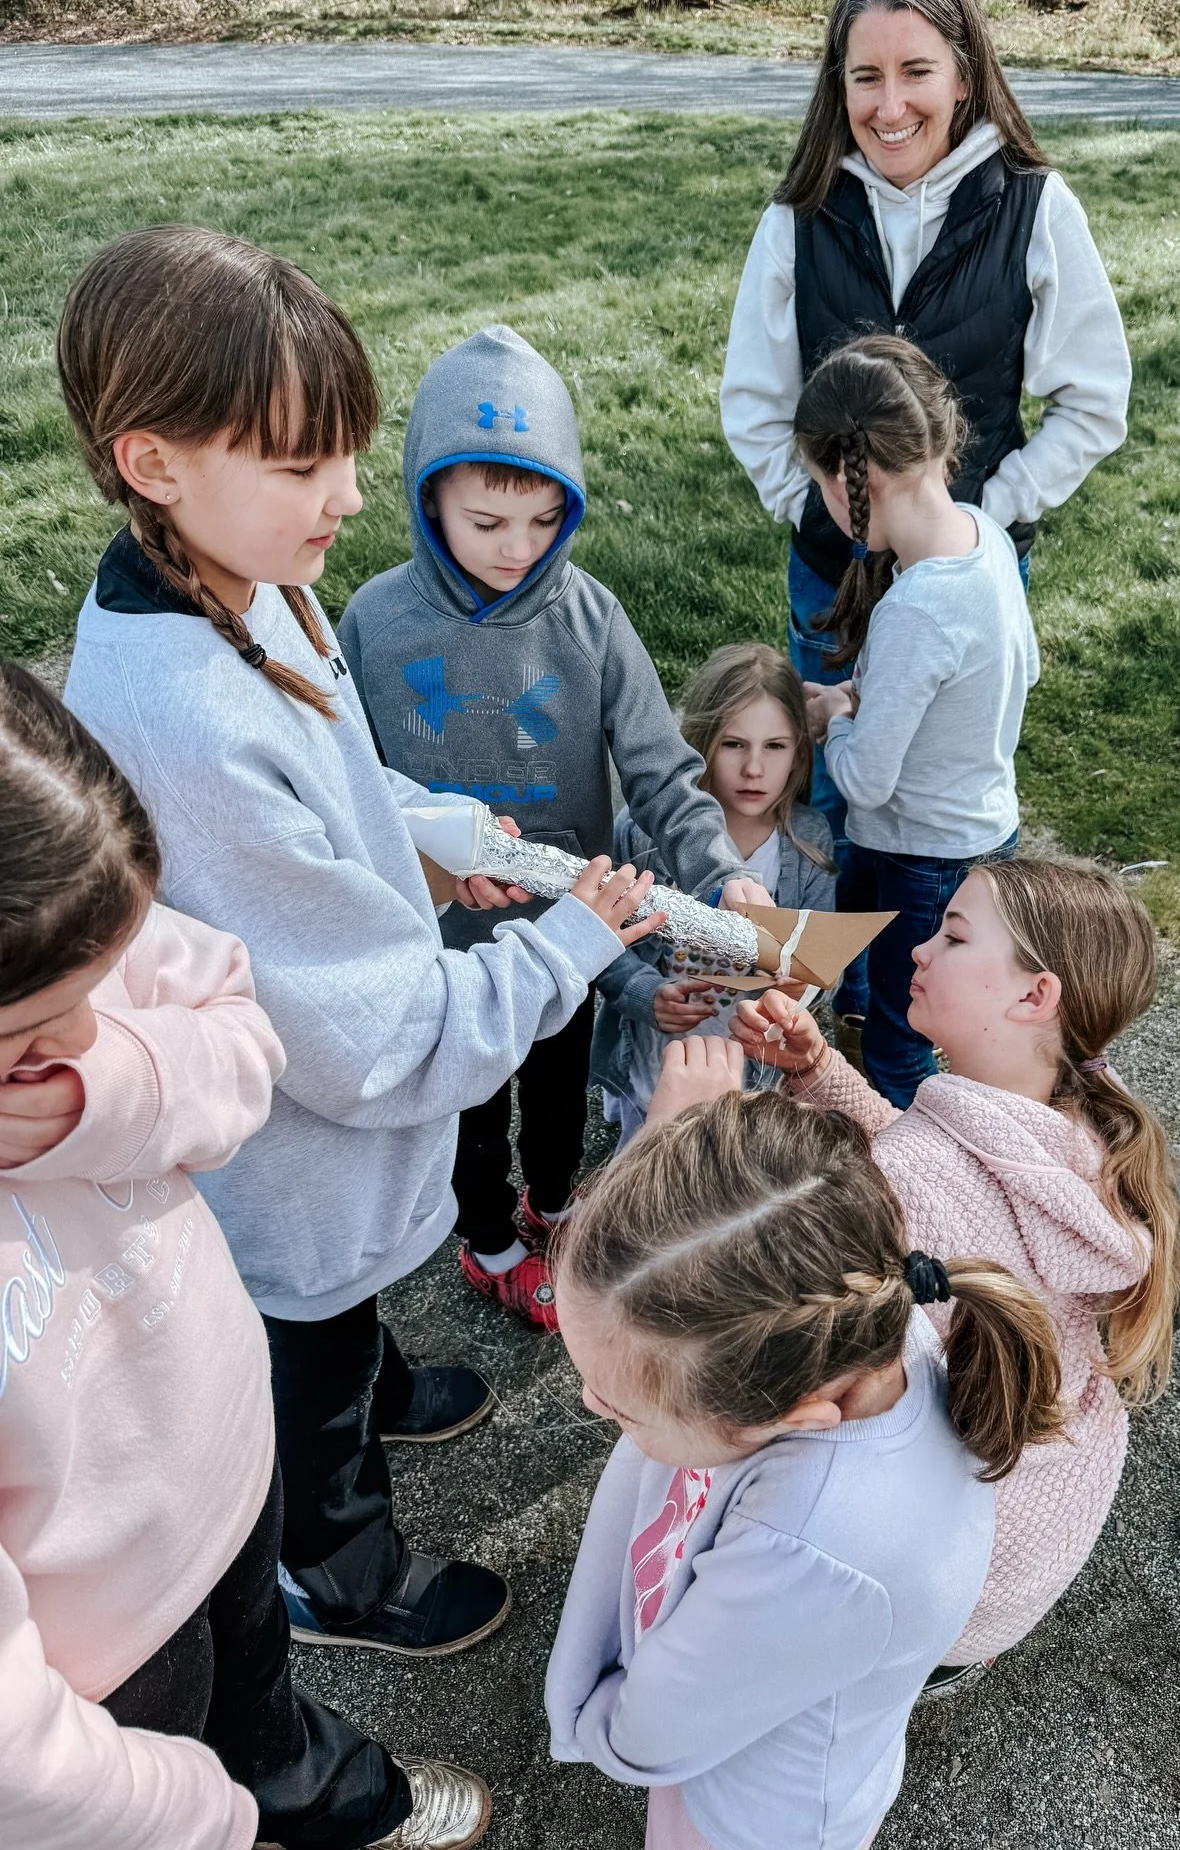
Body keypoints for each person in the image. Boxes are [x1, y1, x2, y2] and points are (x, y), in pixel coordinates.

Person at [57, 225, 667, 1661]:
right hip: (294, 1163)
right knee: (307, 1355)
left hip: (324, 1102)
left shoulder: (234, 566)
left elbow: (329, 774)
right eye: (299, 462)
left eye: (347, 451)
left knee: (346, 1335)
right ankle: (337, 1571)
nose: (345, 497)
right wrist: (572, 939)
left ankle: (375, 1372)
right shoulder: (187, 719)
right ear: (155, 462)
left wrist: (438, 830)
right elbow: (386, 1042)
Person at [0, 662, 492, 1850]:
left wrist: (100, 1092)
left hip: (226, 1462)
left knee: (266, 1703)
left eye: (101, 990)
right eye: (26, 1032)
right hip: (111, 1664)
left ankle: (320, 1789)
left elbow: (238, 1025)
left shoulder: (53, 920)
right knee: (221, 1747)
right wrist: (207, 1819)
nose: (87, 1031)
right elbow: (31, 1768)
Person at [719, 0, 1129, 1052]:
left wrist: (972, 530)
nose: (890, 105)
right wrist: (832, 517)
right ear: (836, 84)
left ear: (964, 69)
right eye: (865, 77)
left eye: (916, 73)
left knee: (929, 785)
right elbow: (753, 407)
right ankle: (830, 995)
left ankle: (922, 1000)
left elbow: (1095, 401)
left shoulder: (1034, 208)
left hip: (964, 563)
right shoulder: (798, 222)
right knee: (830, 785)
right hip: (829, 573)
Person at [338, 326, 769, 1330]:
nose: (516, 547)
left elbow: (664, 772)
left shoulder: (593, 620)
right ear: (426, 493)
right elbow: (352, 783)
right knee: (474, 1111)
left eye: (542, 519)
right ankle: (487, 1244)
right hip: (444, 948)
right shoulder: (370, 623)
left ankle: (556, 1205)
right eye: (486, 519)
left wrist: (723, 877)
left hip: (570, 933)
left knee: (558, 1095)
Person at [545, 1062, 1066, 1850]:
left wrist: (604, 1724)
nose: (592, 1405)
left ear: (797, 1414)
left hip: (748, 1820)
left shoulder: (816, 1548)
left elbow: (652, 1735)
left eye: (618, 1406)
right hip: (751, 1748)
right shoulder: (863, 1333)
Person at [734, 857, 1180, 1695]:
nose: (918, 950)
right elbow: (933, 1164)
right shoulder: (1079, 1114)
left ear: (1034, 996)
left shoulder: (917, 1184)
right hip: (1029, 1533)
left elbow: (813, 1365)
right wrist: (820, 1072)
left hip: (938, 1573)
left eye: (954, 934)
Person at [793, 334, 1038, 1107]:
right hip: (978, 831)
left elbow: (866, 779)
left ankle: (910, 1185)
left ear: (849, 476)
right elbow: (1018, 669)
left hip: (918, 857)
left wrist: (835, 715)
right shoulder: (983, 533)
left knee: (905, 1048)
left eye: (819, 488)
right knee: (878, 992)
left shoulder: (918, 608)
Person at [592, 642, 835, 1145]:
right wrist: (646, 993)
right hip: (655, 1058)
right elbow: (601, 941)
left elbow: (823, 963)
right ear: (701, 742)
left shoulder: (810, 844)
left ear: (800, 751)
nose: (753, 769)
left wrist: (795, 988)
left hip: (749, 1071)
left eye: (775, 746)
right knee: (643, 1182)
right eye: (733, 744)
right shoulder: (642, 834)